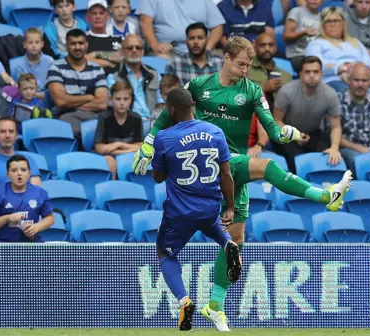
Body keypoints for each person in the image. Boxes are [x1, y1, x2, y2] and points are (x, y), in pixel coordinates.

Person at [132, 36, 353, 331]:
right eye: (240, 64)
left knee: (236, 242)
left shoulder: (252, 90)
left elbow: (271, 128)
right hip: (213, 166)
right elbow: (169, 111)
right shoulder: (198, 86)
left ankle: (214, 306)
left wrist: (284, 134)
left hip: (232, 170)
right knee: (269, 166)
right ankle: (325, 197)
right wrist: (149, 141)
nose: (245, 70)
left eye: (249, 66)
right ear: (225, 58)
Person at [151, 88, 240, 331]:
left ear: (171, 110)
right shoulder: (215, 131)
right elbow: (226, 174)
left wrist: (152, 162)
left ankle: (184, 300)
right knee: (213, 226)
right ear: (193, 106)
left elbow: (158, 177)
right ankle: (228, 244)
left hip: (180, 212)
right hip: (210, 206)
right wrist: (230, 207)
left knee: (165, 253)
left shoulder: (164, 137)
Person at [273, 56, 343, 172]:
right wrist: (295, 136)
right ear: (300, 74)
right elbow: (276, 121)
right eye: (307, 72)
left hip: (312, 133)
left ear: (321, 73)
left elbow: (336, 126)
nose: (311, 75)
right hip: (287, 133)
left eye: (315, 72)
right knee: (296, 159)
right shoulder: (287, 91)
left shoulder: (330, 94)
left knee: (327, 157)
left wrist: (334, 148)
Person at [46, 29, 108, 140]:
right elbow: (60, 101)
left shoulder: (97, 69)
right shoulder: (56, 67)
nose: (77, 47)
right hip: (65, 117)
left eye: (81, 43)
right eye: (73, 44)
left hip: (93, 116)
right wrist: (89, 97)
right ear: (66, 46)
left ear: (87, 45)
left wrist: (69, 103)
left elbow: (102, 103)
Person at [0, 155, 55, 242]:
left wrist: (37, 227)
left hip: (33, 245)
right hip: (3, 246)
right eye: (14, 170)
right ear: (8, 174)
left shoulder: (40, 193)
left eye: (23, 170)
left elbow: (50, 218)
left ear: (29, 173)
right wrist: (7, 218)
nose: (19, 173)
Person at [0, 117, 42, 204]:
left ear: (16, 136)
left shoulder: (28, 160)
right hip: (1, 212)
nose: (7, 135)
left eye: (11, 131)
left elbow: (37, 194)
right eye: (3, 131)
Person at [106, 34, 164, 120]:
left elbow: (161, 103)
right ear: (122, 51)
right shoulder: (113, 76)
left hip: (153, 123)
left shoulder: (154, 75)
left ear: (143, 51)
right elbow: (113, 106)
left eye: (138, 47)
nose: (134, 50)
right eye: (130, 48)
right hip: (128, 124)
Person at [93, 82, 143, 178]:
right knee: (109, 161)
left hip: (128, 156)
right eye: (118, 99)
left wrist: (118, 145)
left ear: (131, 100)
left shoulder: (136, 118)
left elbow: (140, 147)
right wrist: (129, 148)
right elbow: (99, 148)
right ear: (111, 100)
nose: (122, 103)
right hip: (110, 157)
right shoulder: (104, 117)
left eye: (125, 99)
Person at [11, 28, 55, 101]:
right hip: (24, 100)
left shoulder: (50, 62)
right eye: (30, 42)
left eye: (37, 42)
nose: (34, 46)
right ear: (24, 44)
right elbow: (16, 88)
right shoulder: (15, 64)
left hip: (46, 100)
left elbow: (53, 87)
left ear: (42, 44)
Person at [283, 0, 322, 72]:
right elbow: (286, 36)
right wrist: (303, 33)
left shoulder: (322, 17)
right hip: (297, 55)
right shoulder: (296, 12)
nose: (315, 1)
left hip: (316, 55)